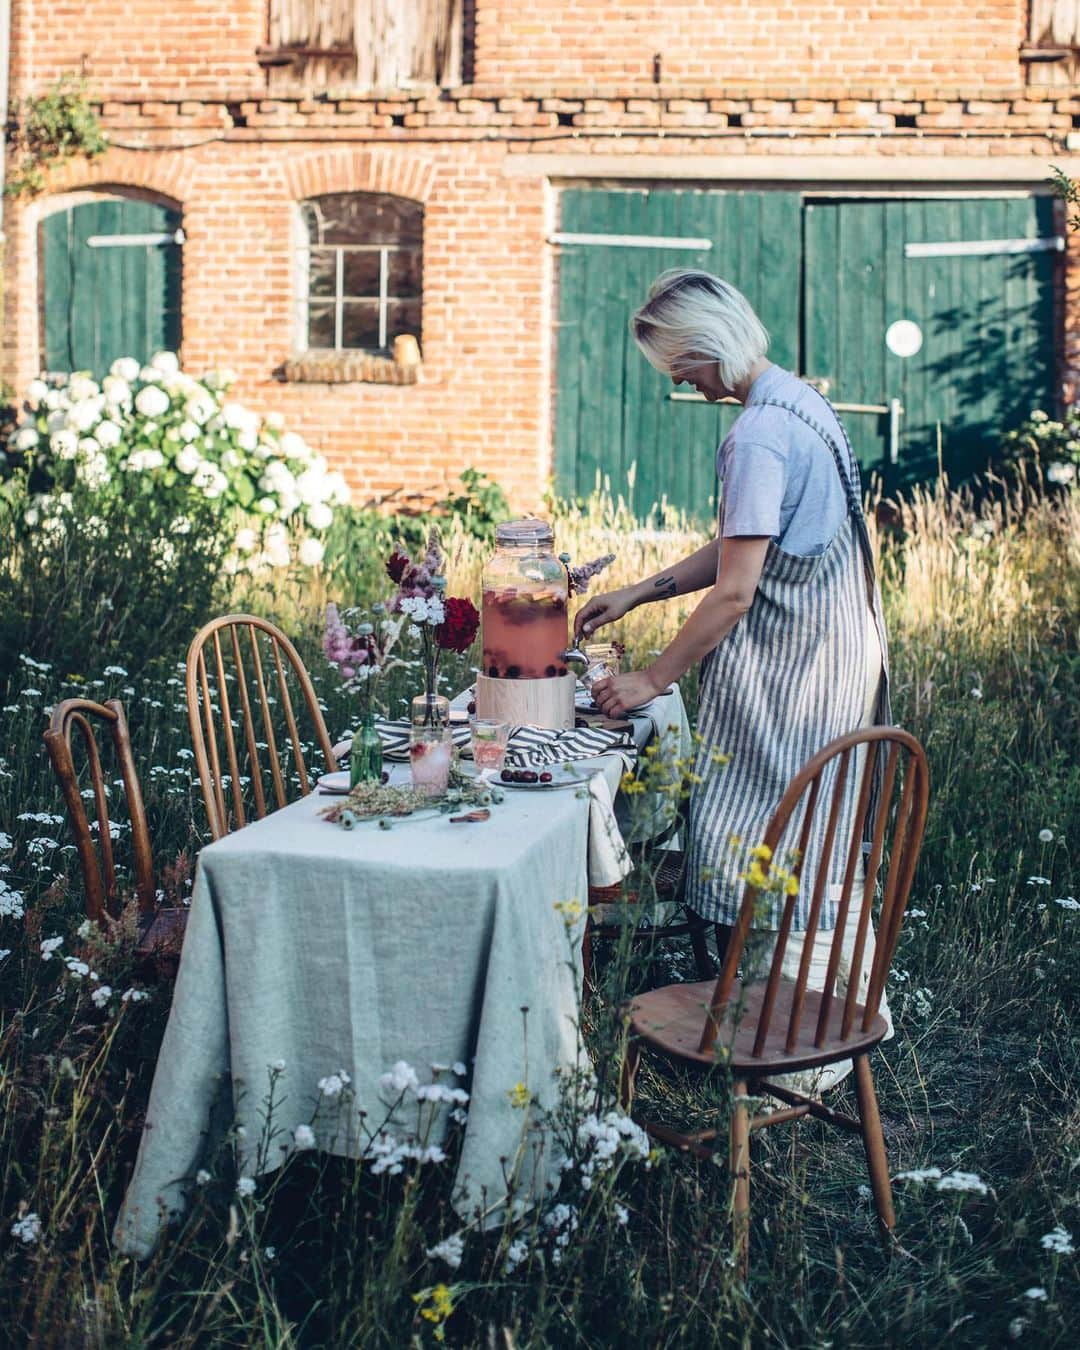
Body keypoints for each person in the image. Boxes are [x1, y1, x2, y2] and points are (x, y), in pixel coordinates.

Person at [574, 269, 893, 1089]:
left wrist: (650, 676)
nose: (678, 380)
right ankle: (814, 1012)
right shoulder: (799, 402)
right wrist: (641, 589)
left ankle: (788, 1039)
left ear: (704, 347)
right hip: (840, 653)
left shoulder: (756, 435)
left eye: (677, 364)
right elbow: (745, 544)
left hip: (796, 663)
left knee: (759, 827)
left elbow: (740, 590)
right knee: (814, 828)